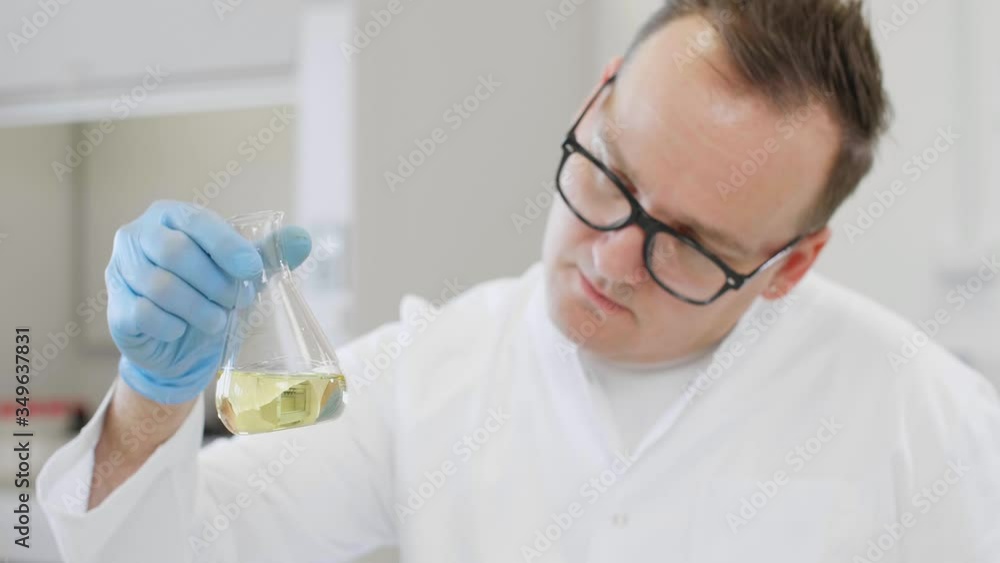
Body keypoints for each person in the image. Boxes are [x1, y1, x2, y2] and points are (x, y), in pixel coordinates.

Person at [39, 1, 999, 562]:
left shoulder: (930, 417)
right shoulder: (430, 372)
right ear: (597, 96)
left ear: (791, 264)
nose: (611, 259)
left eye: (692, 246)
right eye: (610, 175)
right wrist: (154, 402)